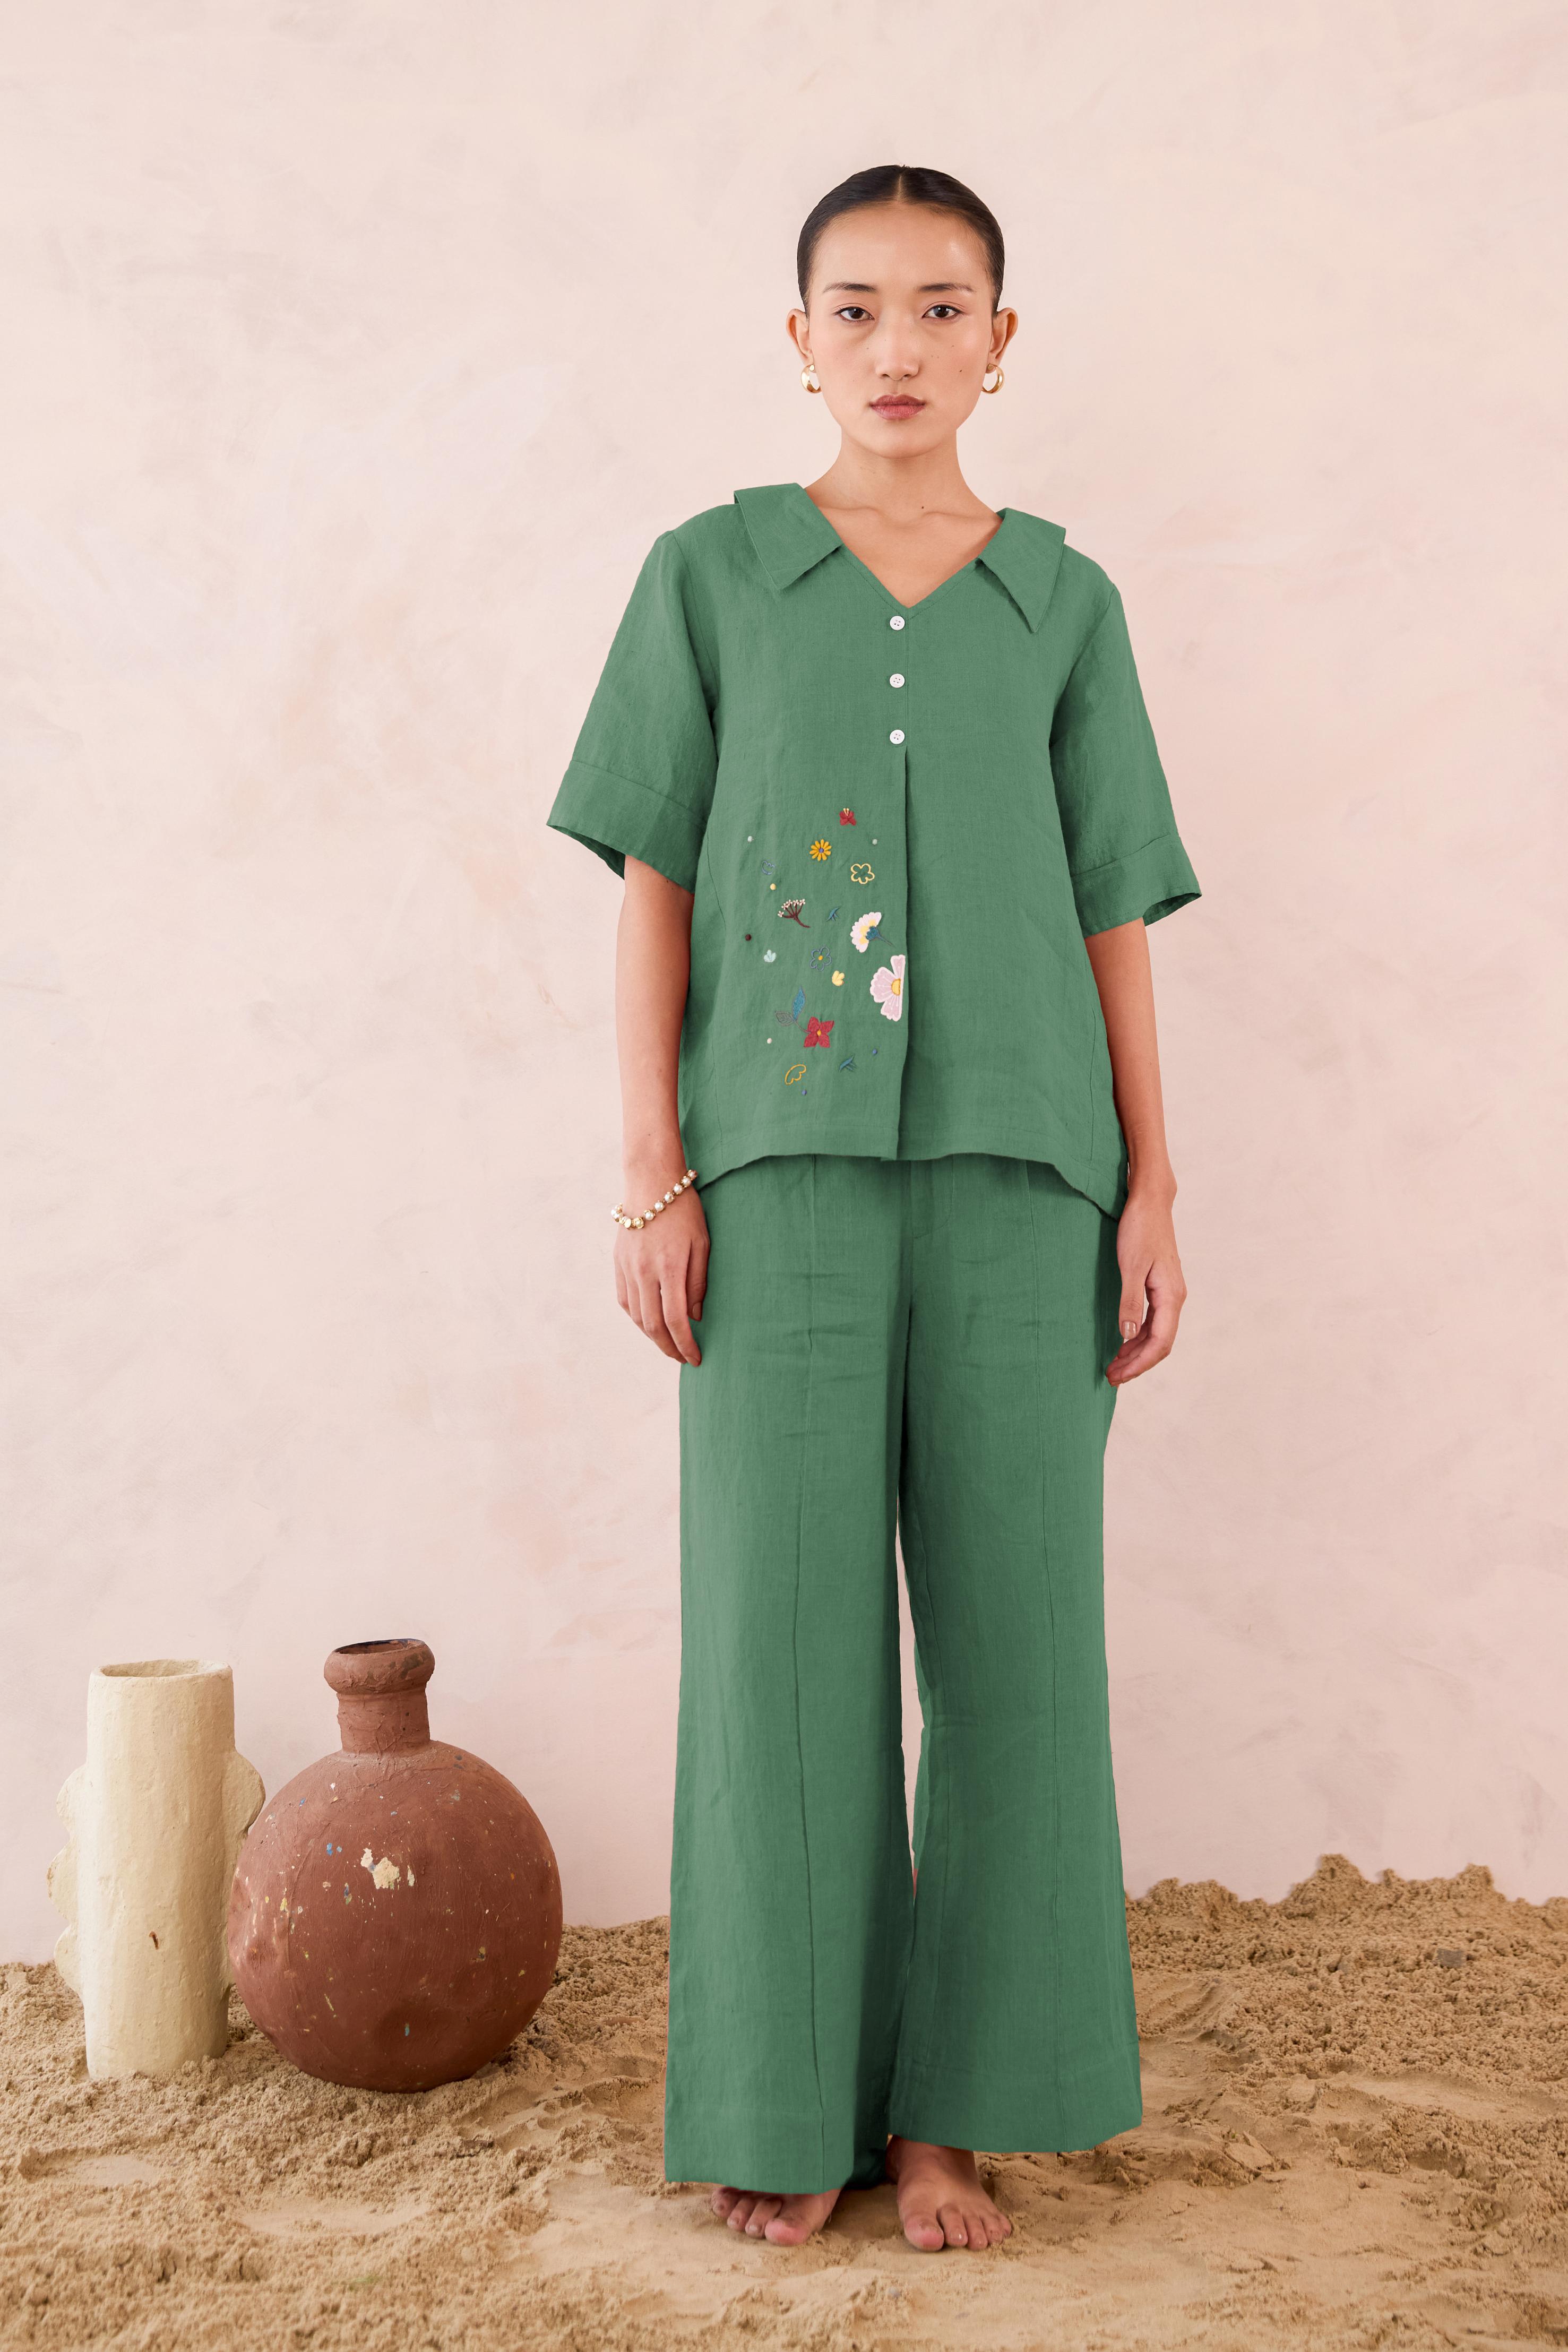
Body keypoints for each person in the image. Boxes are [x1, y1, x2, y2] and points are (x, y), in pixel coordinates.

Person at [546, 162, 1201, 2256]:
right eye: (855, 307)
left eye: (940, 307)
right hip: (775, 1176)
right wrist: (650, 1169)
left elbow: (1110, 908)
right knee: (781, 1647)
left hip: (1027, 1175)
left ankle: (956, 2117)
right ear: (797, 338)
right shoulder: (710, 577)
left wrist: (1152, 1180)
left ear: (1001, 343)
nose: (897, 346)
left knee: (1018, 1657)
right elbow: (654, 884)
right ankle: (788, 2100)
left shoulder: (1064, 604)